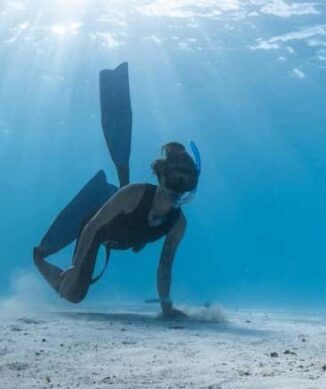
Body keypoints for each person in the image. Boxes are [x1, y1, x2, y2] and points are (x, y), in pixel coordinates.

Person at [32, 62, 201, 317]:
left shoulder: (178, 224)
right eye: (174, 179)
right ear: (160, 176)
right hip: (98, 228)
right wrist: (76, 267)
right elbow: (92, 226)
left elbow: (165, 265)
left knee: (123, 190)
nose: (178, 188)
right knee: (74, 293)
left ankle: (114, 187)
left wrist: (167, 307)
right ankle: (40, 259)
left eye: (185, 182)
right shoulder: (135, 194)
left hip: (125, 234)